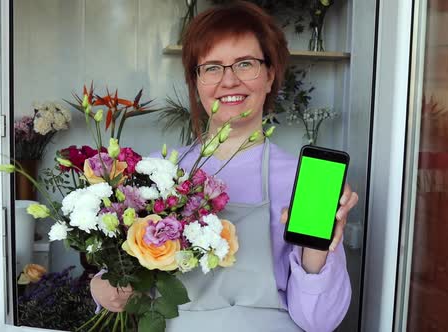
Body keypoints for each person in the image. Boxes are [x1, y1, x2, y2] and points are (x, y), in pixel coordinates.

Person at [91, 2, 359, 331]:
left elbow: (319, 322)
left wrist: (318, 248)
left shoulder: (304, 180)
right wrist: (102, 286)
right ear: (196, 80)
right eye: (212, 67)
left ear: (270, 74)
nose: (229, 81)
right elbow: (125, 275)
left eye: (245, 64)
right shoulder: (158, 171)